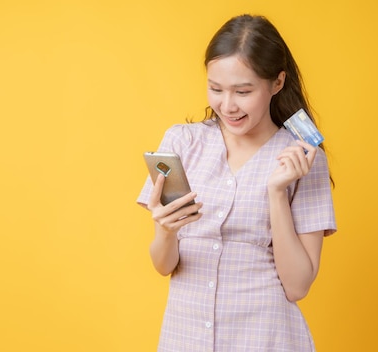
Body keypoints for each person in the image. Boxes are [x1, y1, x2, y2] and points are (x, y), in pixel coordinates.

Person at [137, 14, 337, 352]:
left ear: (276, 83)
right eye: (216, 89)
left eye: (243, 91)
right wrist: (167, 231)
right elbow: (163, 265)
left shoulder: (303, 158)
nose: (227, 106)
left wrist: (276, 193)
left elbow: (298, 286)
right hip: (185, 338)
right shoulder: (183, 143)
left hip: (265, 337)